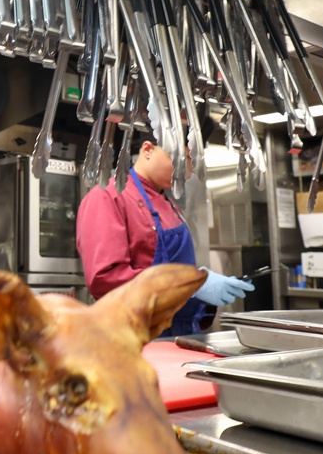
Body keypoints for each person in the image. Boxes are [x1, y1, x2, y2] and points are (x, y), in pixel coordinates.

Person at [75, 133, 253, 336]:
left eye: (191, 162)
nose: (186, 171)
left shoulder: (172, 206)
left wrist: (203, 292)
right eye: (180, 158)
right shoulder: (107, 196)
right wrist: (187, 284)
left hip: (181, 334)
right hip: (135, 337)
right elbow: (105, 280)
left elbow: (176, 270)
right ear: (148, 150)